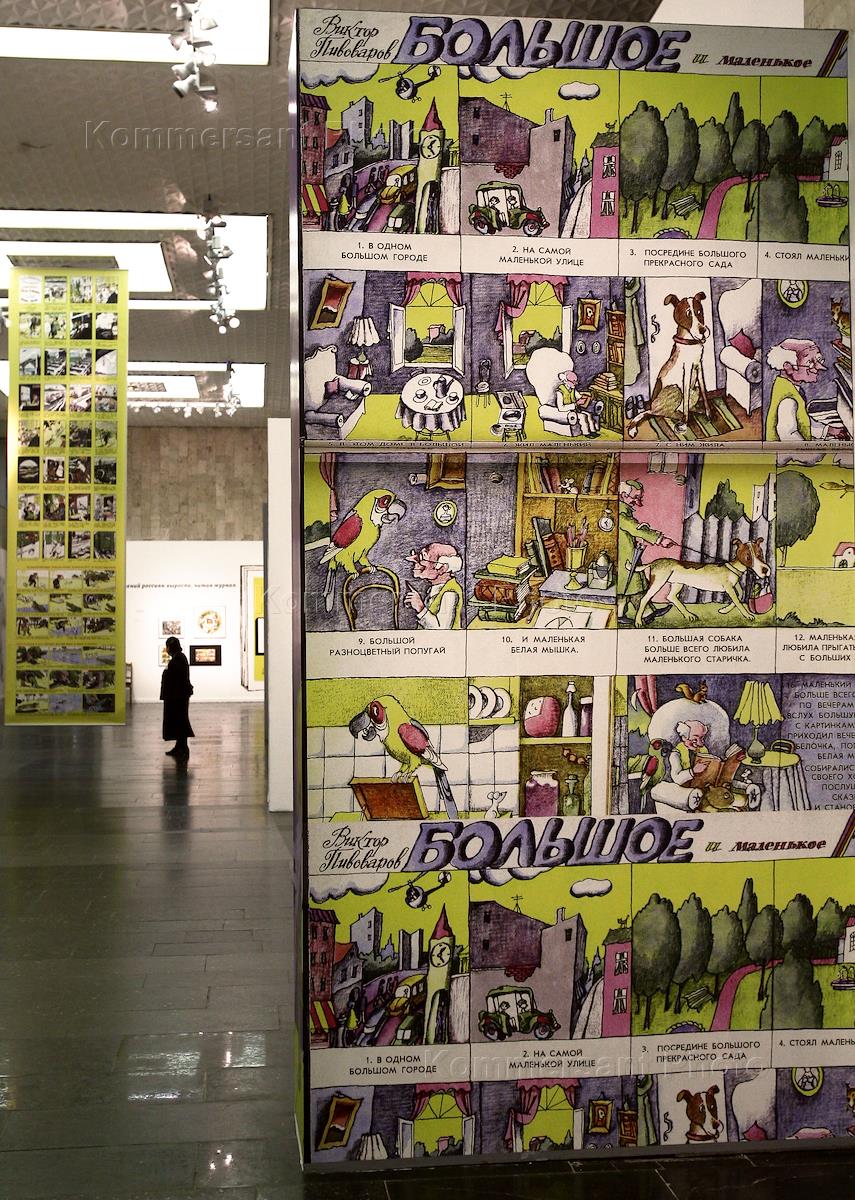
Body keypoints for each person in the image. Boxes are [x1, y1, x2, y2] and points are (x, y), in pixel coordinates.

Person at [765, 338, 827, 441]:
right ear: (788, 367)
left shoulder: (790, 388)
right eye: (810, 362)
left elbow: (803, 421)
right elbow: (788, 434)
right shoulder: (788, 400)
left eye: (819, 360)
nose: (819, 367)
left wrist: (827, 430)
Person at [404, 543, 463, 629]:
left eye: (423, 559)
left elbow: (442, 629)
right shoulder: (436, 589)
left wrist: (420, 607)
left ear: (442, 568)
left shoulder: (450, 592)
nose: (416, 564)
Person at [160, 636, 194, 759]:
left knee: (180, 720)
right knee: (178, 721)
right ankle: (180, 746)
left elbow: (177, 679)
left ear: (171, 647)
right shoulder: (178, 657)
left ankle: (183, 747)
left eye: (167, 646)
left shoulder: (178, 659)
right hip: (176, 695)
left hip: (178, 696)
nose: (166, 649)